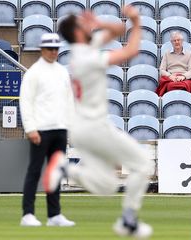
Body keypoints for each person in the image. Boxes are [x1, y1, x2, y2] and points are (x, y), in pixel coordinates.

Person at [44, 7, 154, 238]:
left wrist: (98, 22)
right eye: (82, 23)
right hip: (93, 127)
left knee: (108, 186)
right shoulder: (88, 57)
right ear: (77, 32)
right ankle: (128, 220)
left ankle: (66, 168)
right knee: (143, 164)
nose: (87, 24)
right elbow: (132, 50)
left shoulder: (85, 47)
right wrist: (136, 19)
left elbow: (119, 30)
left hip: (82, 129)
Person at [19, 33, 75, 227]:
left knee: (56, 173)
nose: (53, 52)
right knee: (34, 171)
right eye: (50, 48)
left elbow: (69, 101)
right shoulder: (34, 73)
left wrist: (70, 126)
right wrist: (30, 128)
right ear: (42, 50)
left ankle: (54, 215)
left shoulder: (62, 72)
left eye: (56, 49)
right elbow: (26, 102)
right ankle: (27, 214)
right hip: (41, 129)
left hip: (60, 128)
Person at [156, 31, 191, 96]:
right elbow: (162, 70)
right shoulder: (167, 54)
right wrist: (170, 76)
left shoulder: (189, 54)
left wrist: (183, 76)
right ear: (171, 43)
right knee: (170, 86)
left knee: (187, 86)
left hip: (184, 78)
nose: (177, 42)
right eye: (174, 41)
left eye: (178, 40)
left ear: (182, 41)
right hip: (171, 78)